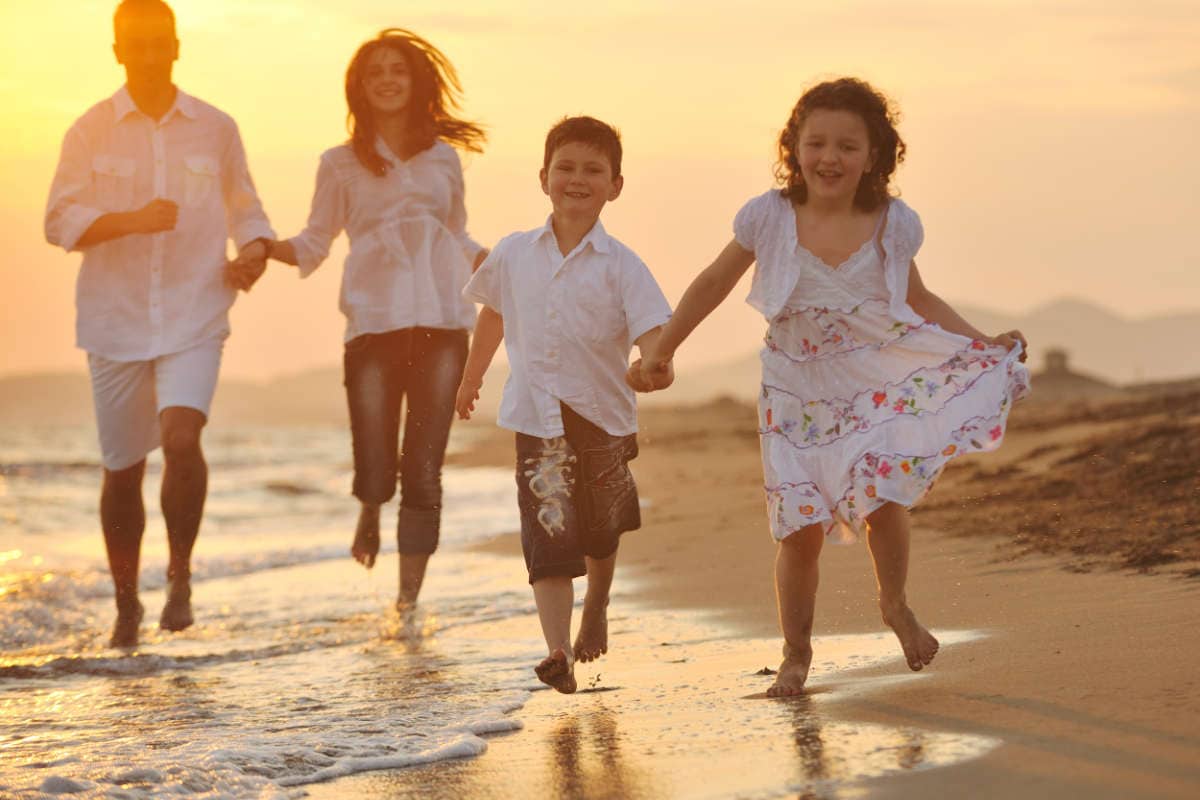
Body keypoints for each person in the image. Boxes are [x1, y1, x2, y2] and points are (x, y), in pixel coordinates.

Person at [629, 78, 1030, 696]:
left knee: (884, 496)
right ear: (794, 147)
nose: (830, 158)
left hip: (872, 385)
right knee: (799, 529)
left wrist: (982, 344)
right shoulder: (768, 216)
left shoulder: (891, 223)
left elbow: (918, 297)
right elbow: (712, 282)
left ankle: (893, 603)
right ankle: (795, 655)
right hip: (793, 395)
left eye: (847, 146)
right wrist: (664, 347)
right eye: (816, 143)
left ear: (875, 155)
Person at [43, 0, 274, 648]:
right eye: (135, 45)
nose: (148, 55)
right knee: (122, 469)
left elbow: (248, 210)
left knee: (179, 438)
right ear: (118, 50)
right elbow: (58, 219)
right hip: (113, 322)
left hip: (195, 312)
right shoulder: (89, 129)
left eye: (159, 44)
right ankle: (126, 606)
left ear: (176, 46)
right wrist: (131, 219)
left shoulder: (216, 128)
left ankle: (179, 577)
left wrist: (253, 255)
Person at [266, 29, 487, 611]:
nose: (387, 79)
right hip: (371, 327)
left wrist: (493, 260)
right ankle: (369, 506)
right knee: (375, 462)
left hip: (443, 323)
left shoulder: (444, 158)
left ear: (416, 83)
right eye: (375, 73)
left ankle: (406, 603)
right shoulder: (338, 164)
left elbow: (458, 232)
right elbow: (315, 241)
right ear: (360, 89)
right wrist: (266, 248)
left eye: (398, 70)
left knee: (424, 473)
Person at [456, 117, 673, 694]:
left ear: (615, 185)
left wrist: (655, 363)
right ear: (544, 177)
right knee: (549, 534)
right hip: (536, 416)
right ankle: (557, 650)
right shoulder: (512, 252)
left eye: (593, 170)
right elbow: (493, 314)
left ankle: (596, 606)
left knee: (600, 532)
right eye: (566, 167)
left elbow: (653, 328)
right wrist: (471, 376)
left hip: (602, 415)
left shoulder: (623, 264)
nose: (578, 179)